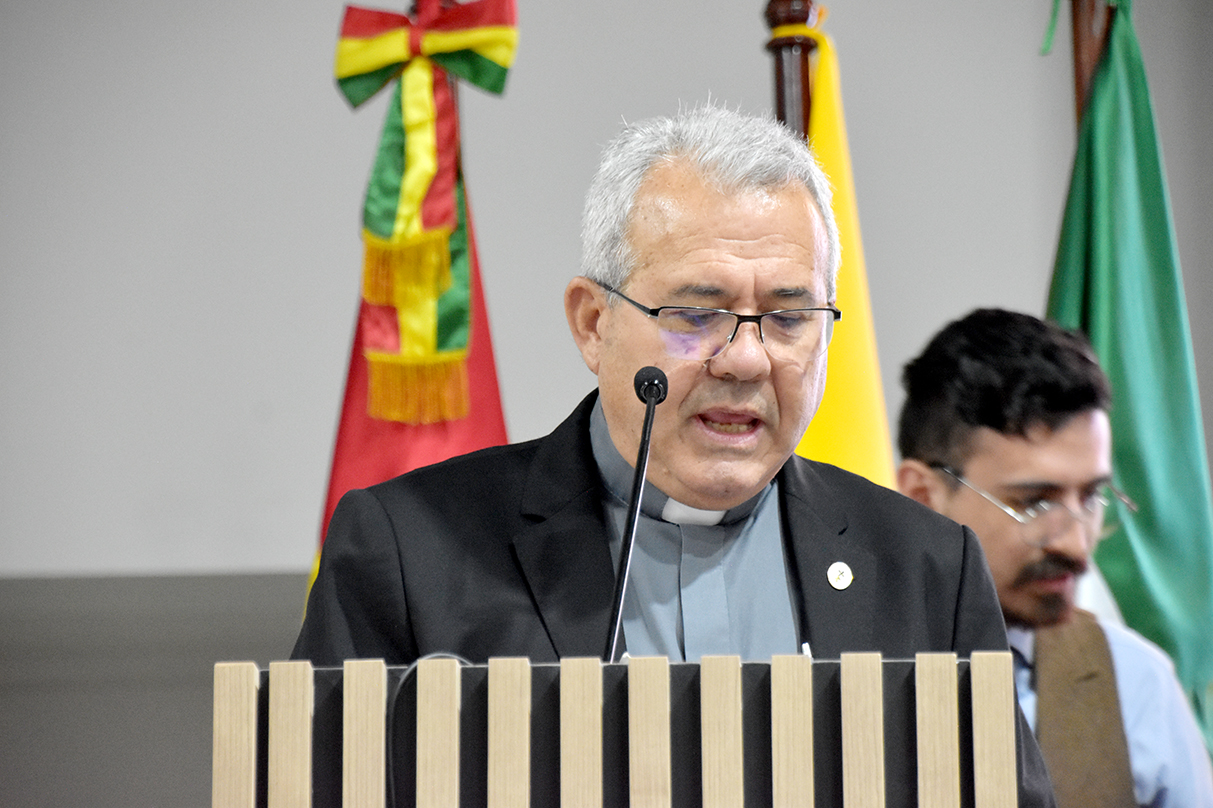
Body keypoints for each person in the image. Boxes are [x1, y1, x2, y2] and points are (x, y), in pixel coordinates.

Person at [292, 106, 1053, 803]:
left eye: (788, 318)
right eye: (696, 313)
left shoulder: (926, 569)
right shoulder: (410, 551)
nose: (745, 359)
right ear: (593, 324)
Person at [897, 308, 1213, 808]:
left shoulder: (1138, 681)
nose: (1072, 544)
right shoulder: (827, 669)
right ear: (922, 497)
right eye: (1035, 502)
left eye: (1090, 498)